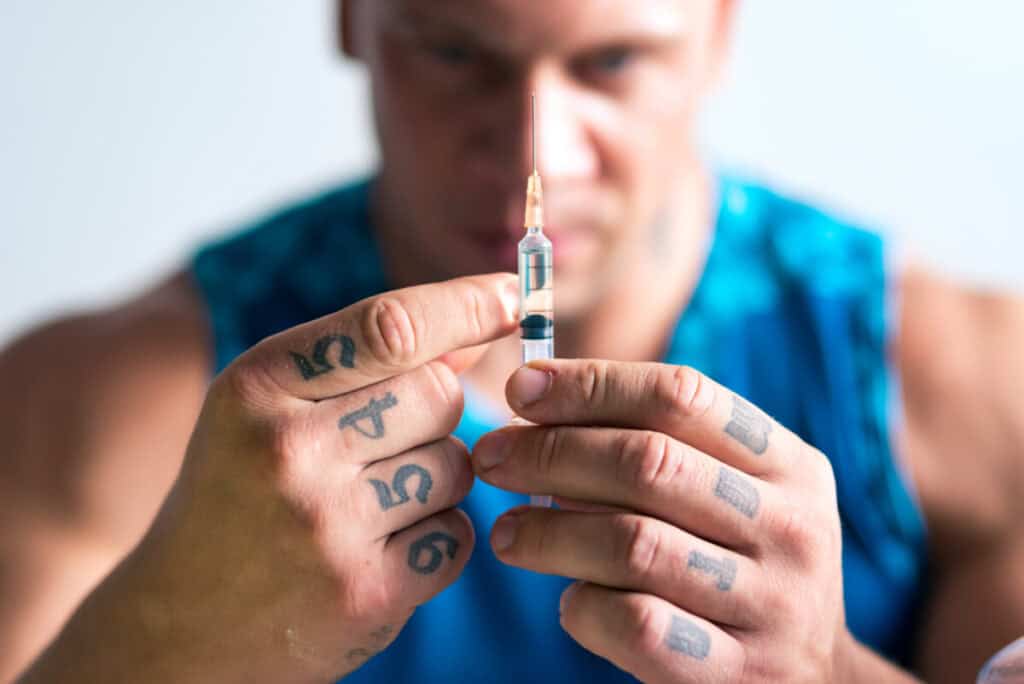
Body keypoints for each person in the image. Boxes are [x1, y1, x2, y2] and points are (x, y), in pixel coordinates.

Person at [3, 1, 1023, 681]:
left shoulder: (961, 386)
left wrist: (828, 671)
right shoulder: (109, 402)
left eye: (612, 61)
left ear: (717, 29)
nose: (536, 148)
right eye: (457, 52)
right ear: (354, 14)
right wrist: (165, 632)